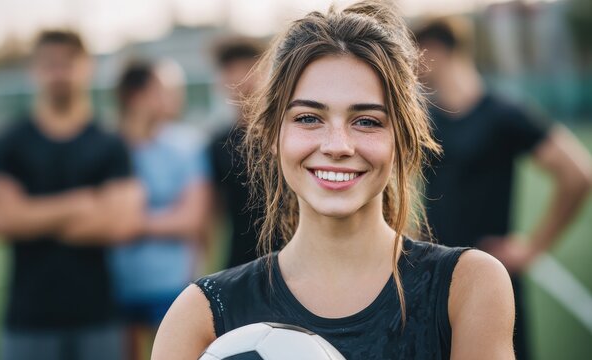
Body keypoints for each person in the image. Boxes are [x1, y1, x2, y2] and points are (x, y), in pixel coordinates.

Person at [152, 2, 516, 359]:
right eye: (309, 118)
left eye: (367, 121)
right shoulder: (201, 313)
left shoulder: (467, 286)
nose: (337, 146)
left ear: (403, 140)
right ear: (270, 136)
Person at [414, 17, 592, 360]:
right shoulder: (426, 119)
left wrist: (533, 247)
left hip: (492, 279)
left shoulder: (503, 114)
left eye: (415, 55)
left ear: (434, 51)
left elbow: (578, 174)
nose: (411, 67)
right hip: (435, 276)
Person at [0, 30, 144, 360]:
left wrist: (30, 214)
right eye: (49, 64)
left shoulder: (109, 144)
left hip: (99, 317)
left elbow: (123, 224)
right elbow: (0, 219)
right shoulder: (9, 142)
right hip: (27, 319)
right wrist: (82, 203)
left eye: (68, 63)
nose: (59, 73)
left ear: (88, 68)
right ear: (34, 70)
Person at [111, 60, 212, 360]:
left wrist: (127, 223)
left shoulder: (187, 145)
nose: (175, 97)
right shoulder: (106, 147)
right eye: (164, 91)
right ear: (136, 96)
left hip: (173, 285)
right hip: (114, 287)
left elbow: (192, 219)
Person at [208, 36, 271, 268]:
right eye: (231, 71)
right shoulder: (218, 144)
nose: (239, 79)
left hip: (296, 258)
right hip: (240, 263)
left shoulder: (288, 133)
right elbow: (212, 214)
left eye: (247, 69)